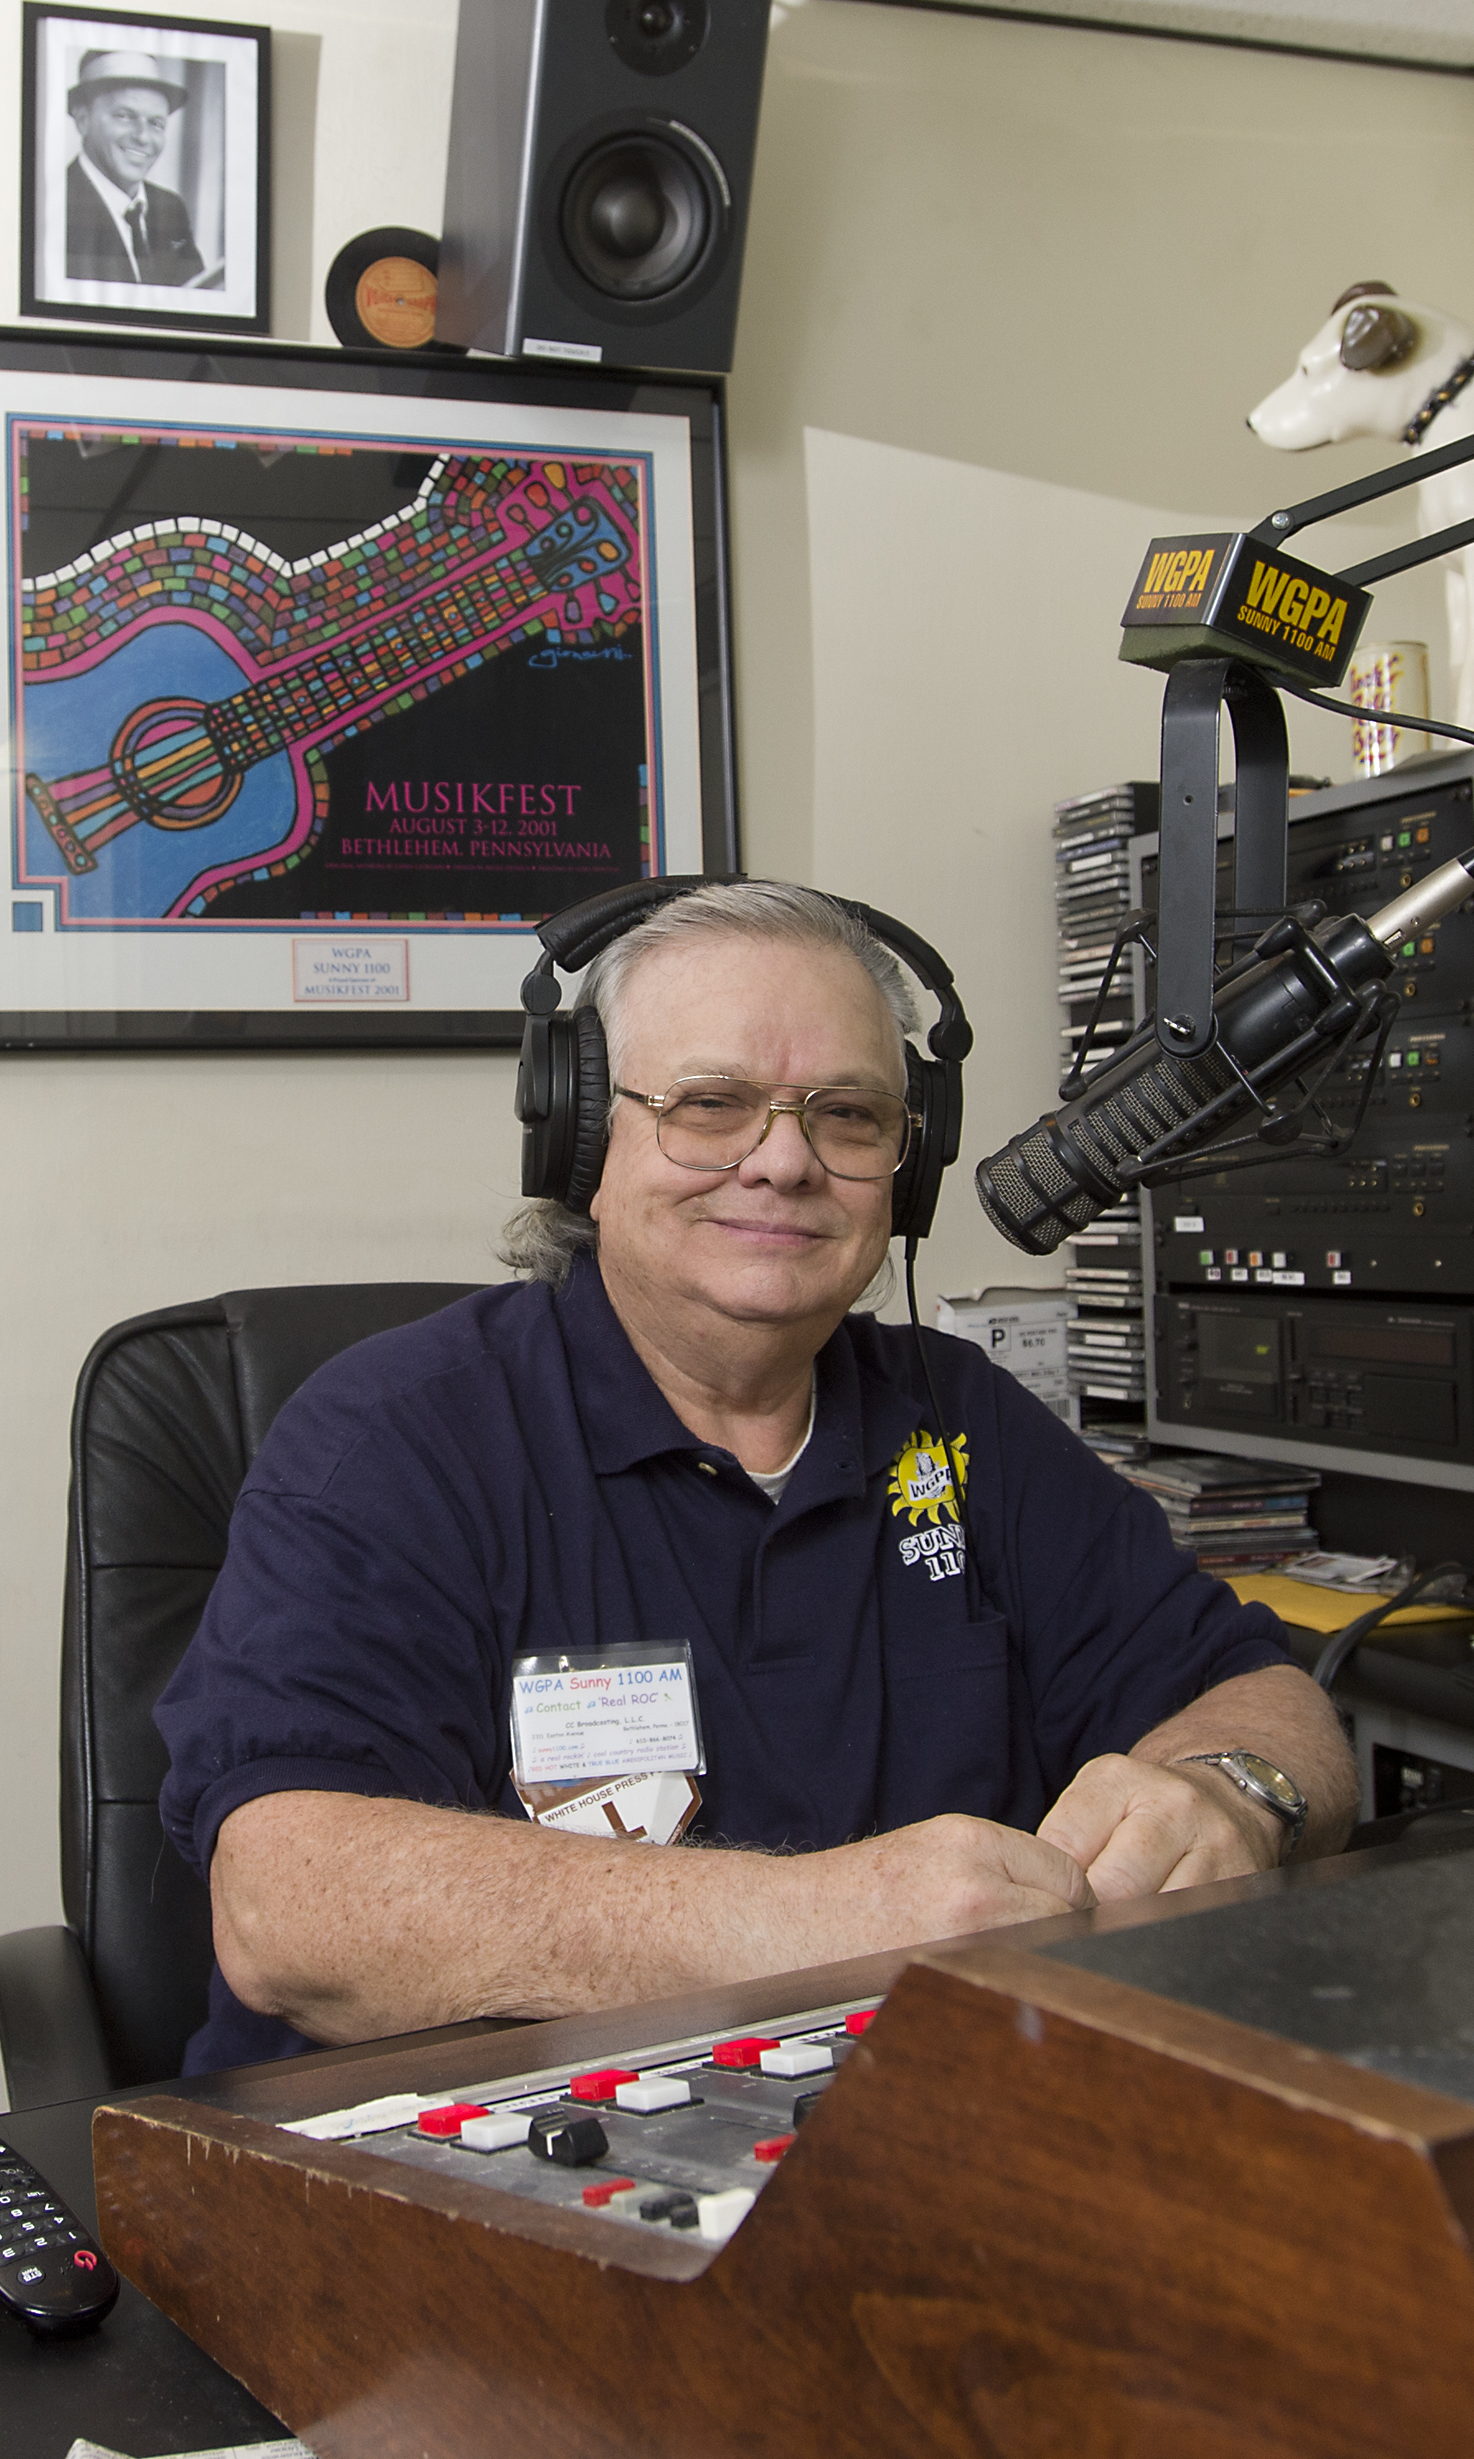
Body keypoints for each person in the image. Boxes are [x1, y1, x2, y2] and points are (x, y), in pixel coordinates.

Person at [154, 880, 1351, 2072]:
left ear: (908, 1159)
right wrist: (835, 1921)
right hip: (443, 2178)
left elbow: (1261, 1696)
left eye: (848, 1116)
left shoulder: (963, 1418)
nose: (783, 1162)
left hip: (910, 2139)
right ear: (582, 1138)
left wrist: (1235, 1793)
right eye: (711, 1104)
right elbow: (291, 1909)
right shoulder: (391, 1437)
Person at [60, 48, 209, 287]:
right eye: (124, 116)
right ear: (83, 120)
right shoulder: (54, 205)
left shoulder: (171, 209)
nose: (143, 137)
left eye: (156, 123)